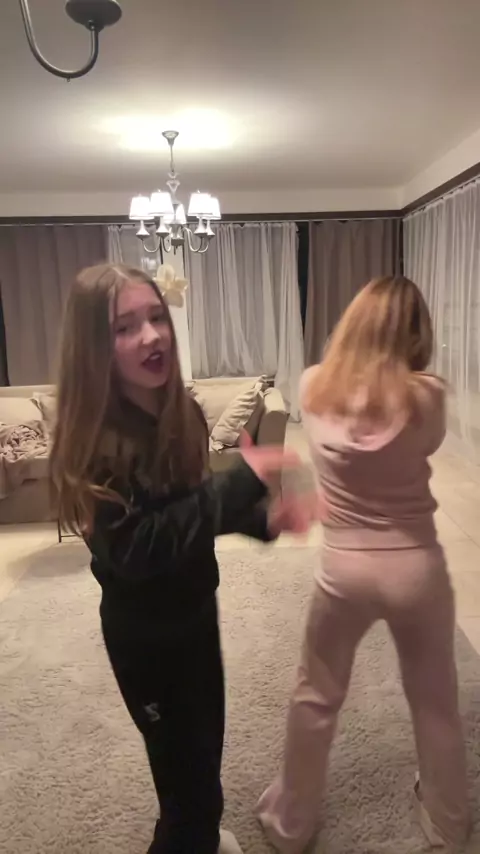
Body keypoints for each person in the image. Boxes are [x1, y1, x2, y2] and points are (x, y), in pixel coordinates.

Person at [50, 263, 315, 854]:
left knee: (203, 758)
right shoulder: (91, 447)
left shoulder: (180, 415)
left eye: (156, 317)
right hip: (147, 642)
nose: (152, 336)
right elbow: (139, 547)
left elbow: (189, 515)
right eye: (124, 327)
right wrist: (244, 478)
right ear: (93, 350)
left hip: (196, 613)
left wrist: (261, 522)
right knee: (186, 798)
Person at [256, 276, 471, 853]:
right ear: (416, 334)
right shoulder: (429, 398)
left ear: (352, 323)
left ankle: (290, 824)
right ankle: (449, 825)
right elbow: (423, 441)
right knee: (435, 700)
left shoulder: (312, 385)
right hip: (417, 568)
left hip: (344, 571)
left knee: (315, 694)